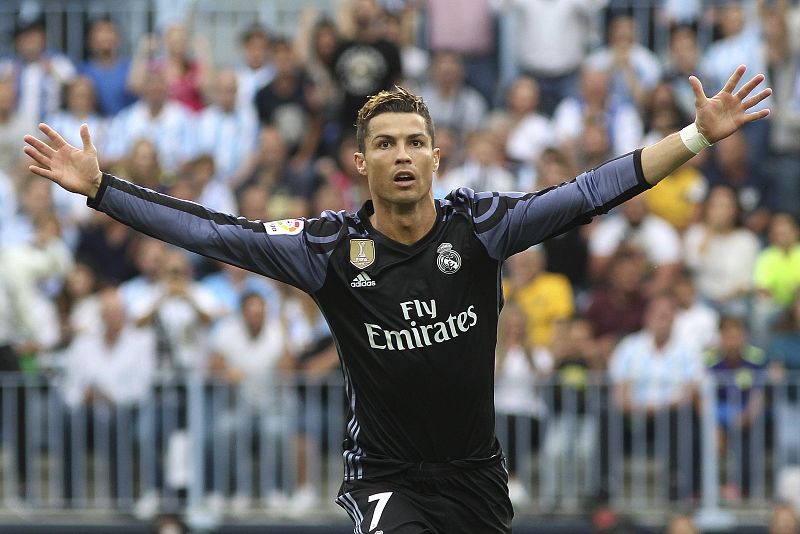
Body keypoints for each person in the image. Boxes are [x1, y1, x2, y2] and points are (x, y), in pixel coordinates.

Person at [24, 65, 771, 532]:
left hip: (476, 474)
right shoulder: (325, 249)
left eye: (415, 141)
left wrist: (696, 138)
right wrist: (102, 189)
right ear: (361, 163)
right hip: (384, 477)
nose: (403, 155)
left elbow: (591, 191)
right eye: (386, 144)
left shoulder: (481, 227)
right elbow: (216, 232)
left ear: (436, 156)